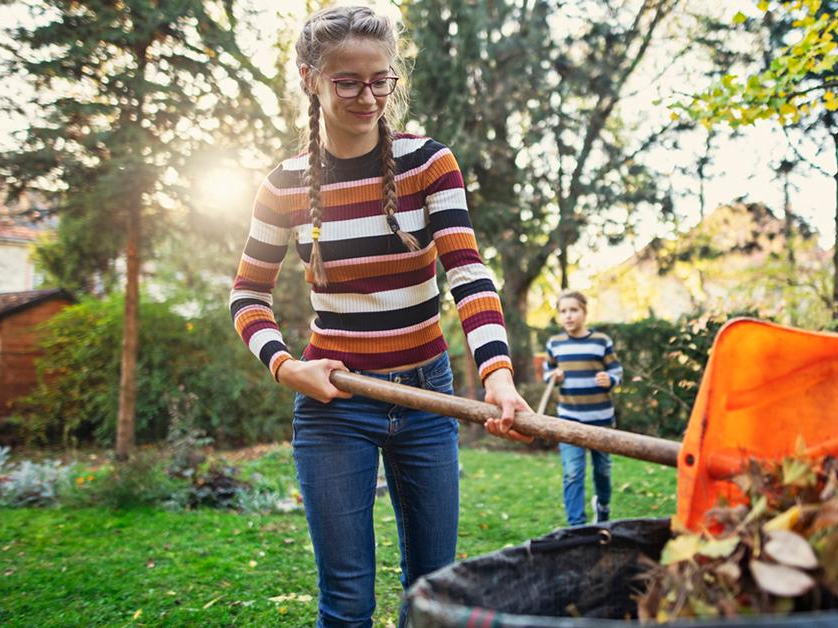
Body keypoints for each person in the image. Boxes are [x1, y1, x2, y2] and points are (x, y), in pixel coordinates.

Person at [228, 6, 530, 626]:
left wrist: (497, 375)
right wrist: (286, 368)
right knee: (346, 603)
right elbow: (247, 296)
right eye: (348, 82)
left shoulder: (429, 164)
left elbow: (467, 273)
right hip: (335, 405)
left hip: (427, 399)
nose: (369, 97)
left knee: (434, 595)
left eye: (381, 80)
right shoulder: (282, 185)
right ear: (311, 78)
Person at [543, 290, 624, 526]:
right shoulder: (554, 344)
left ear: (584, 312)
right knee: (572, 472)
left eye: (574, 310)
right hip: (568, 420)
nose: (568, 316)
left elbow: (617, 370)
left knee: (603, 470)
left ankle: (603, 507)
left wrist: (610, 379)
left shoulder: (601, 341)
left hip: (601, 420)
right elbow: (547, 372)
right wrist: (553, 376)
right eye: (563, 311)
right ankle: (576, 527)